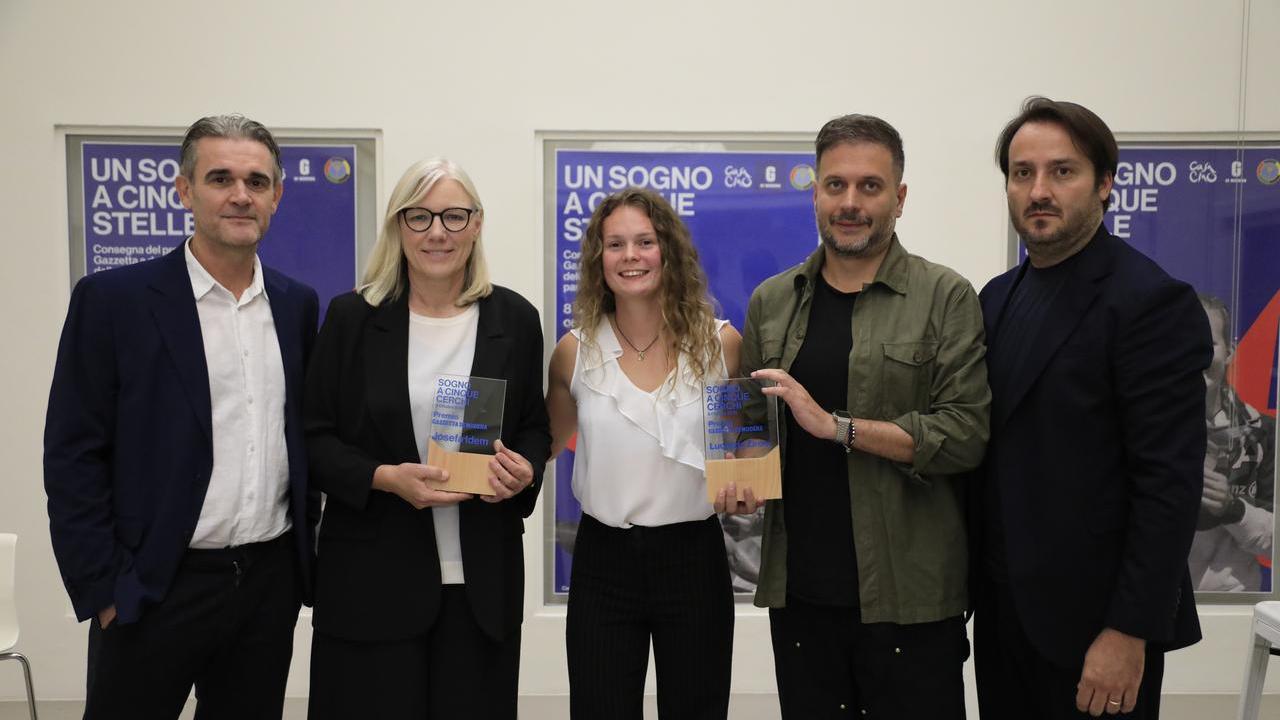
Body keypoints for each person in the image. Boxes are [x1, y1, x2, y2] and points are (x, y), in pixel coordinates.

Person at [44, 114, 319, 719]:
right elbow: (73, 454)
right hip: (153, 586)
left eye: (257, 180)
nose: (240, 195)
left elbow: (304, 440)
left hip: (266, 584)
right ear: (183, 190)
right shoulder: (114, 301)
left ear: (277, 195)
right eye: (220, 178)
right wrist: (106, 588)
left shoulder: (299, 306)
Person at [727, 113, 990, 719]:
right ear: (815, 192)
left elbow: (966, 435)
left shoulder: (945, 296)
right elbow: (750, 427)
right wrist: (739, 474)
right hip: (802, 595)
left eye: (870, 186)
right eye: (835, 185)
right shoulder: (772, 299)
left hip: (912, 598)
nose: (850, 202)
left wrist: (835, 426)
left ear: (899, 198)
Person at [974, 97, 1211, 719]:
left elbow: (1169, 485)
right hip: (1004, 619)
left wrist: (1129, 631)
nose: (1039, 190)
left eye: (1063, 171)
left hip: (1095, 631)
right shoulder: (997, 298)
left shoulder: (1150, 302)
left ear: (1105, 184)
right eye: (1022, 173)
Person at [304, 157, 549, 719]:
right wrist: (382, 478)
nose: (438, 232)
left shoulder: (514, 319)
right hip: (371, 585)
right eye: (420, 217)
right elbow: (313, 437)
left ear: (477, 224)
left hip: (480, 586)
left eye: (454, 216)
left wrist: (525, 470)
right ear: (398, 226)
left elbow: (534, 425)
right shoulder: (353, 319)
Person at [546, 187, 741, 719]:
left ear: (668, 252)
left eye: (644, 241)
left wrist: (747, 488)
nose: (630, 256)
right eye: (615, 245)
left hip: (694, 558)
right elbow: (539, 445)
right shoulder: (574, 353)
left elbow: (745, 453)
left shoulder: (721, 345)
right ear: (598, 259)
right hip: (603, 564)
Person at [1188, 294, 1275, 592]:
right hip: (1152, 611)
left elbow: (1275, 547)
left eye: (1208, 343)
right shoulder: (1140, 432)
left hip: (1232, 610)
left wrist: (1232, 509)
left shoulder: (1263, 432)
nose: (1196, 353)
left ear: (1229, 352)